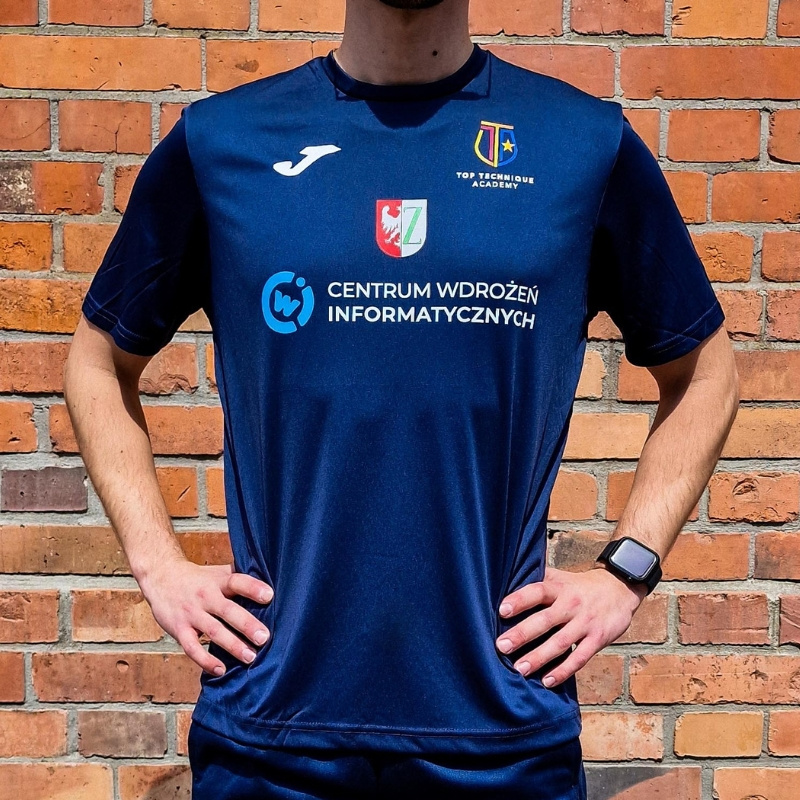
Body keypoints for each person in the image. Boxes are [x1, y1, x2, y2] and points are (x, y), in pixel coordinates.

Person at [64, 0, 740, 797]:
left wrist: (625, 571)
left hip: (501, 733)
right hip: (272, 731)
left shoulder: (582, 143)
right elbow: (98, 361)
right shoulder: (222, 142)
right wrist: (158, 566)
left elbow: (707, 376)